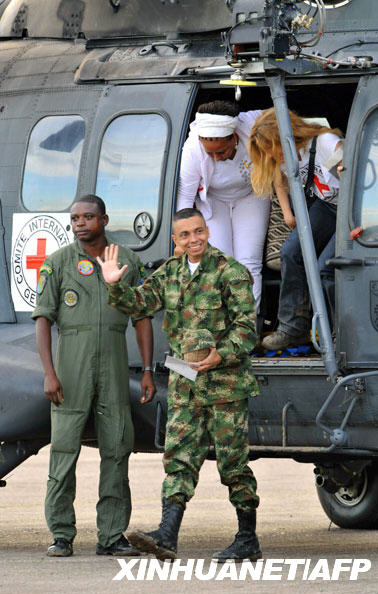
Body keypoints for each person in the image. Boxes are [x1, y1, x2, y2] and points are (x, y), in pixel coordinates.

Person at [97, 207, 261, 563]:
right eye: (185, 235)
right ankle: (167, 535)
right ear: (176, 240)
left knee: (233, 464)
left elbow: (248, 327)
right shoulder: (169, 274)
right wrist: (114, 284)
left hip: (225, 384)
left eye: (198, 232)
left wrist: (222, 353)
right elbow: (138, 304)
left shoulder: (230, 272)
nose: (194, 240)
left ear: (207, 231)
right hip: (185, 381)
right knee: (178, 459)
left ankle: (247, 538)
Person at [32, 194, 156, 558]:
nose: (80, 223)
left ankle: (112, 535)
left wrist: (147, 371)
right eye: (74, 219)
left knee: (117, 447)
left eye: (88, 217)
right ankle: (61, 534)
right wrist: (49, 374)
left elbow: (143, 319)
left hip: (114, 362)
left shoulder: (127, 261)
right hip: (71, 363)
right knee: (64, 449)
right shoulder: (57, 264)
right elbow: (43, 321)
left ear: (103, 219)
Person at [249, 108, 343, 350]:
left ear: (287, 136)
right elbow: (280, 181)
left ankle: (338, 332)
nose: (271, 155)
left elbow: (348, 164)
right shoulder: (283, 156)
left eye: (273, 148)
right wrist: (288, 214)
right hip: (326, 206)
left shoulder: (324, 142)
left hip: (347, 208)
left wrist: (344, 164)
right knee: (291, 252)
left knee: (326, 266)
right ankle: (294, 327)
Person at [176, 100, 270, 309]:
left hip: (251, 195)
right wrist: (182, 238)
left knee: (248, 263)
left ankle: (247, 328)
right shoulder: (193, 149)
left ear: (234, 137)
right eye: (211, 154)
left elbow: (283, 116)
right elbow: (185, 196)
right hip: (213, 201)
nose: (217, 158)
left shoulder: (252, 125)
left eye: (222, 152)